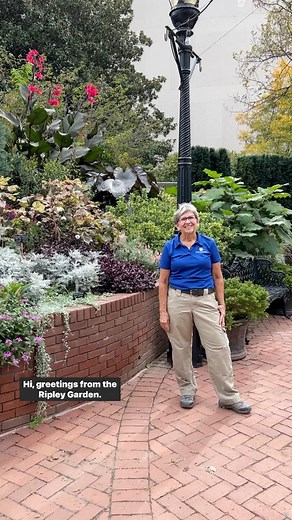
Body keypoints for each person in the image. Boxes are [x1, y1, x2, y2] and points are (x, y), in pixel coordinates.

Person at [158, 203, 251, 414]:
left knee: (219, 346)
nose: (188, 221)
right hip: (178, 299)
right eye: (183, 219)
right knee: (180, 347)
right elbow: (163, 281)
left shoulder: (208, 244)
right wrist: (163, 311)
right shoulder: (170, 247)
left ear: (197, 221)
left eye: (191, 217)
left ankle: (228, 397)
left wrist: (222, 304)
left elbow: (218, 276)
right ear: (177, 225)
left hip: (206, 299)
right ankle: (187, 390)